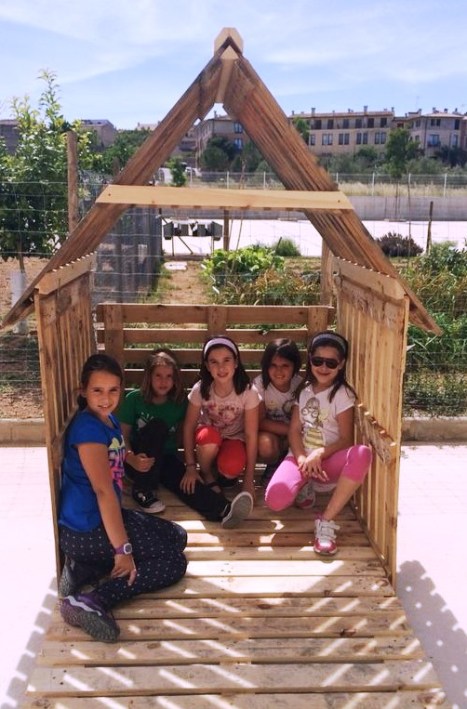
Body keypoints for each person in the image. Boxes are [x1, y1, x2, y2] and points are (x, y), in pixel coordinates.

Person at [57, 353, 187, 643]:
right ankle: (94, 600)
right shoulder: (88, 430)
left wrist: (130, 457)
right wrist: (123, 550)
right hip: (86, 530)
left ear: (121, 389)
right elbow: (103, 491)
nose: (106, 398)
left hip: (103, 518)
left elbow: (115, 448)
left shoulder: (108, 419)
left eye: (113, 390)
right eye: (97, 390)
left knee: (177, 536)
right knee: (173, 562)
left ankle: (86, 568)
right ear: (83, 391)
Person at [264, 331, 372, 556]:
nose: (323, 367)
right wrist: (302, 458)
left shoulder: (342, 394)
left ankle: (326, 521)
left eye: (331, 363)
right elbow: (294, 431)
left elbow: (346, 439)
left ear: (341, 364)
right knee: (274, 500)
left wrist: (319, 454)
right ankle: (305, 484)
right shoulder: (303, 391)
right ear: (310, 360)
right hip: (303, 459)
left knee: (362, 453)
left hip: (326, 462)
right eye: (318, 360)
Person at [182, 335, 260, 519]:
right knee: (209, 437)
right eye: (214, 362)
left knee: (232, 467)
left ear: (236, 362)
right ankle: (207, 474)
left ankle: (223, 474)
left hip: (234, 439)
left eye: (226, 360)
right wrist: (191, 467)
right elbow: (189, 427)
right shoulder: (201, 389)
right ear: (207, 366)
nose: (221, 367)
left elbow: (251, 434)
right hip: (209, 438)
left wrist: (248, 479)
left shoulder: (248, 392)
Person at [118, 349, 188, 514]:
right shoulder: (134, 399)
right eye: (158, 375)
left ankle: (222, 509)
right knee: (158, 426)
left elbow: (181, 437)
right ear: (149, 377)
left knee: (187, 482)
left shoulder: (180, 403)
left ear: (175, 379)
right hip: (137, 459)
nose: (163, 381)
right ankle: (141, 490)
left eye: (169, 376)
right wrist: (131, 458)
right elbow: (122, 436)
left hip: (164, 459)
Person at [253, 338, 302, 486]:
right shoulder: (260, 384)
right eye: (273, 365)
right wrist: (291, 431)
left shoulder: (300, 385)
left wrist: (294, 433)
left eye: (285, 365)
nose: (279, 371)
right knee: (265, 445)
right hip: (272, 433)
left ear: (295, 366)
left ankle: (292, 469)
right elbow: (260, 422)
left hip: (295, 434)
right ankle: (274, 464)